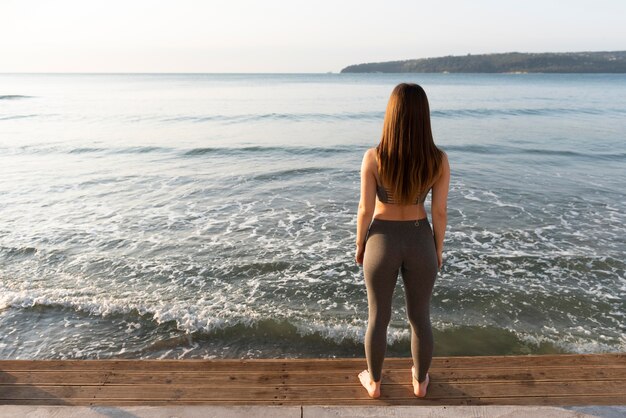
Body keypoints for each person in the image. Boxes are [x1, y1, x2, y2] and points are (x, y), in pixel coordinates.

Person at [355, 83, 450, 399]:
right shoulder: (437, 160)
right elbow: (439, 212)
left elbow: (366, 209)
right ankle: (420, 382)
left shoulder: (374, 157)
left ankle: (375, 382)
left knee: (378, 317)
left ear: (390, 115)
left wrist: (359, 245)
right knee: (420, 317)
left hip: (381, 240)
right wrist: (436, 249)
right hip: (420, 239)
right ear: (424, 117)